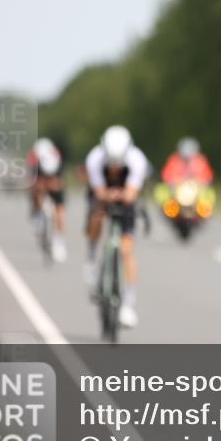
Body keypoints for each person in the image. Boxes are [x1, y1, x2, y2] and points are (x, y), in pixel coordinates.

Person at [83, 125, 150, 328]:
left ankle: (128, 305)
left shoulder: (137, 160)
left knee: (127, 251)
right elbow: (99, 191)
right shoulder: (94, 159)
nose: (114, 168)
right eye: (111, 163)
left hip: (126, 195)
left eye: (117, 164)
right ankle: (92, 257)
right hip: (102, 193)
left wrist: (119, 196)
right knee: (96, 216)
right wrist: (105, 197)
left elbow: (131, 195)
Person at [27, 137, 67, 262]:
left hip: (54, 181)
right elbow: (31, 182)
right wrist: (38, 187)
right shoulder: (34, 160)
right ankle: (37, 216)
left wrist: (53, 184)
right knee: (35, 193)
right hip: (39, 179)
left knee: (60, 210)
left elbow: (60, 182)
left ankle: (59, 241)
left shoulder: (57, 159)